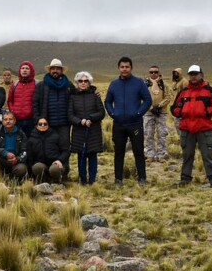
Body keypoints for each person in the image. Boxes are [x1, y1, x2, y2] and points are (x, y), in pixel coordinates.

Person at [170, 65, 212, 187]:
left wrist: (205, 111)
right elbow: (174, 108)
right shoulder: (184, 91)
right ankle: (185, 179)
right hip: (187, 129)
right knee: (187, 155)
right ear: (188, 76)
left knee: (207, 156)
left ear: (201, 75)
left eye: (195, 74)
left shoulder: (208, 90)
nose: (193, 77)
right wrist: (182, 112)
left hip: (203, 128)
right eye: (191, 74)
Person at [104, 57, 152, 187]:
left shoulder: (139, 83)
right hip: (119, 124)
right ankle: (118, 179)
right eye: (122, 67)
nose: (124, 69)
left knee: (138, 151)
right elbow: (107, 101)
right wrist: (113, 113)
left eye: (127, 67)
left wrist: (138, 113)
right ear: (119, 68)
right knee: (119, 152)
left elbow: (148, 100)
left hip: (135, 123)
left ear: (131, 68)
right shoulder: (114, 84)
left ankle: (142, 178)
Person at [32, 58, 73, 180]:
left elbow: (79, 96)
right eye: (53, 68)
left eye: (58, 68)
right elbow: (35, 103)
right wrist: (37, 119)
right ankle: (48, 173)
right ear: (50, 70)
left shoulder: (68, 85)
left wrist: (93, 91)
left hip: (64, 123)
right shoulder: (41, 85)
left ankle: (63, 173)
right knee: (49, 147)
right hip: (47, 124)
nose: (55, 70)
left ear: (61, 70)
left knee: (65, 147)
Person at [68, 71, 105, 185]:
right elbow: (70, 115)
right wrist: (80, 121)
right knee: (81, 156)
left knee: (93, 155)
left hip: (93, 130)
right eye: (80, 81)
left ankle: (92, 180)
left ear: (89, 83)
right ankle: (83, 180)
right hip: (79, 131)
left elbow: (101, 113)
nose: (83, 83)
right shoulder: (72, 97)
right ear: (77, 83)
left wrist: (90, 118)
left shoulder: (95, 95)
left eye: (86, 81)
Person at [143, 66, 173, 162]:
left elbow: (168, 96)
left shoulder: (164, 84)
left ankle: (161, 154)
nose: (153, 74)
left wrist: (159, 106)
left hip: (161, 112)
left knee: (162, 134)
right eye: (151, 72)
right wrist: (150, 108)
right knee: (148, 133)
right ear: (149, 73)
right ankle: (150, 154)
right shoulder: (144, 84)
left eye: (155, 72)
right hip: (148, 113)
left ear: (159, 72)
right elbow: (141, 98)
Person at [0, 112, 28, 180]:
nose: (8, 121)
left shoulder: (21, 134)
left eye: (10, 119)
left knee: (22, 169)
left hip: (15, 162)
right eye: (5, 119)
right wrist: (5, 153)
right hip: (2, 160)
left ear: (15, 121)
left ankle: (9, 179)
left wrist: (17, 159)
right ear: (2, 121)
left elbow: (25, 152)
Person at [27, 118, 63, 183]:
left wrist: (60, 160)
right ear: (36, 126)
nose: (42, 125)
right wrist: (31, 175)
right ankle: (43, 181)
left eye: (45, 124)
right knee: (37, 167)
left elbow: (65, 151)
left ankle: (56, 182)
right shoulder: (31, 139)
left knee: (54, 169)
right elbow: (30, 158)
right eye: (40, 124)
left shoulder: (56, 136)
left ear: (48, 125)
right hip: (40, 164)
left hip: (54, 163)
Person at [7, 60, 37, 137]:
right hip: (17, 120)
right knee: (18, 142)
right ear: (20, 70)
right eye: (22, 68)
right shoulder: (15, 85)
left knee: (31, 142)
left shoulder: (37, 84)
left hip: (31, 121)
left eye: (27, 68)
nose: (24, 70)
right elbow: (10, 101)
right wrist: (13, 111)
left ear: (31, 71)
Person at [171, 67, 189, 138]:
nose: (175, 74)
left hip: (182, 105)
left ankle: (185, 138)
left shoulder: (184, 81)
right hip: (176, 104)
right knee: (177, 123)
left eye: (177, 73)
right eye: (174, 73)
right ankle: (182, 137)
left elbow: (186, 93)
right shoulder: (175, 82)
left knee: (180, 123)